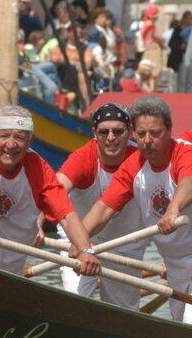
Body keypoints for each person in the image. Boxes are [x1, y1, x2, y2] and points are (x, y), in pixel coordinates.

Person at [82, 96, 192, 327]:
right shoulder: (133, 166)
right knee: (179, 323)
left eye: (155, 133)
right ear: (134, 133)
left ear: (169, 129)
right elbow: (104, 209)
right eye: (141, 134)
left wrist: (173, 209)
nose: (147, 141)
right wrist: (81, 242)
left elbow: (190, 183)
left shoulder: (189, 154)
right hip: (176, 260)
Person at [0, 105, 101, 277]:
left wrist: (85, 250)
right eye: (4, 136)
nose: (11, 144)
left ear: (31, 140)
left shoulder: (39, 170)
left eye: (19, 137)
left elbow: (67, 216)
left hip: (11, 263)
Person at [56, 104, 145, 308]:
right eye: (104, 132)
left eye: (118, 131)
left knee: (123, 316)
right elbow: (55, 191)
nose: (111, 138)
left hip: (127, 245)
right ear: (94, 133)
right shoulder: (83, 158)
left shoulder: (142, 159)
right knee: (76, 306)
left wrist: (170, 256)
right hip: (78, 243)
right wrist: (39, 219)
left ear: (130, 132)